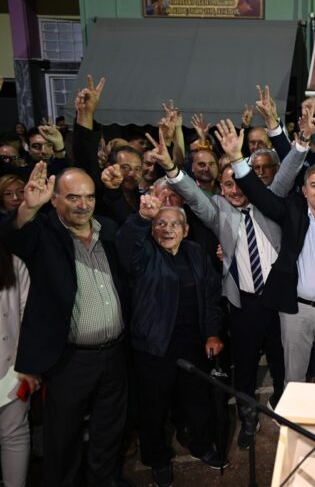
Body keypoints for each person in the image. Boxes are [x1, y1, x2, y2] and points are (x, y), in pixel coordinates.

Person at [149, 122, 308, 449]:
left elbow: (288, 172)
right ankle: (248, 419)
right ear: (220, 189)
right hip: (244, 304)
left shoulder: (268, 199)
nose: (235, 190)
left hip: (279, 300)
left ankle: (284, 410)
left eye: (239, 182)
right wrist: (171, 168)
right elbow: (194, 196)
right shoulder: (218, 211)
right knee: (245, 368)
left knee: (282, 363)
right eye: (227, 185)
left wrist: (302, 142)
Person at [217, 119, 315, 387]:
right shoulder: (292, 212)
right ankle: (293, 417)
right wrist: (237, 158)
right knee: (293, 378)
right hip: (295, 311)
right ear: (305, 191)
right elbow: (260, 196)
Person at [8, 163, 128, 486]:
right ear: (55, 200)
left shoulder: (108, 230)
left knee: (108, 432)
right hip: (69, 361)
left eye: (89, 197)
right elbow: (13, 237)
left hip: (115, 355)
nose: (83, 204)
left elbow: (134, 232)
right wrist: (27, 209)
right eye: (73, 197)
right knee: (63, 438)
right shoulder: (43, 233)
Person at [117, 197, 226, 485]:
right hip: (154, 346)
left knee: (197, 400)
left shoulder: (196, 253)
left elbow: (211, 296)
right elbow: (125, 246)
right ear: (152, 229)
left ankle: (200, 444)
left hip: (192, 342)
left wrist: (212, 332)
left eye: (175, 224)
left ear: (186, 230)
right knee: (153, 408)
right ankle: (157, 458)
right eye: (161, 224)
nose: (168, 229)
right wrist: (141, 218)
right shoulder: (144, 254)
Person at [0, 241, 30, 487]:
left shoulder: (13, 264)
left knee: (15, 436)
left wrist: (26, 367)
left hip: (11, 371)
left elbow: (26, 316)